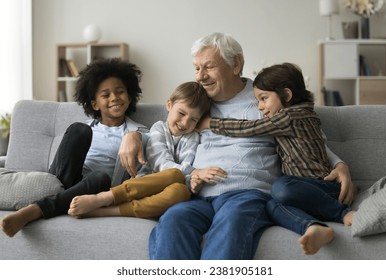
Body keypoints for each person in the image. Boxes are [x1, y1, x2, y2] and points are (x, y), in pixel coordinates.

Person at [117, 32, 354, 260]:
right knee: (174, 220)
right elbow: (168, 127)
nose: (200, 76)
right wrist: (133, 134)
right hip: (198, 195)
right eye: (196, 68)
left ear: (236, 64)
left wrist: (339, 164)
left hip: (247, 194)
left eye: (208, 66)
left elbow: (308, 136)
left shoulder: (264, 99)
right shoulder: (199, 101)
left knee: (231, 223)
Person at [198, 62, 355, 255]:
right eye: (258, 101)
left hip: (320, 186)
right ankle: (313, 227)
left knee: (281, 186)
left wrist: (211, 123)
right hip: (304, 193)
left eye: (264, 99)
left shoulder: (289, 117)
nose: (261, 107)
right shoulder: (303, 113)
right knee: (271, 204)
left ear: (286, 95)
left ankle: (343, 213)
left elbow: (249, 128)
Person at [1, 58, 147, 237]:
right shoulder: (84, 128)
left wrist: (135, 136)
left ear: (130, 96)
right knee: (80, 130)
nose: (114, 98)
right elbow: (64, 161)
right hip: (64, 180)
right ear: (95, 104)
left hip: (95, 188)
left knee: (100, 177)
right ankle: (54, 199)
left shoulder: (138, 132)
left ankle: (35, 209)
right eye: (105, 95)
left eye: (120, 92)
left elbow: (146, 158)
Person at [67, 81, 226, 219]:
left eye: (193, 119)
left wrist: (193, 183)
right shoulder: (158, 129)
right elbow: (161, 163)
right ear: (169, 105)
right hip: (139, 187)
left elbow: (184, 173)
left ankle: (105, 212)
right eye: (181, 113)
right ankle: (105, 197)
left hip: (159, 197)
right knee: (174, 174)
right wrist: (194, 172)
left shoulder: (192, 137)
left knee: (182, 192)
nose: (185, 123)